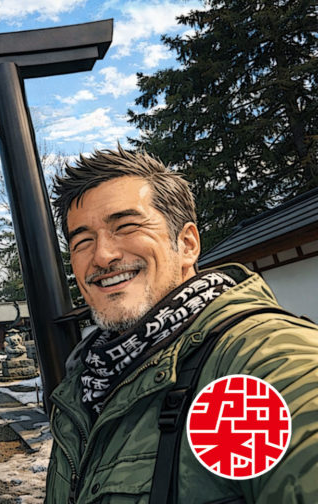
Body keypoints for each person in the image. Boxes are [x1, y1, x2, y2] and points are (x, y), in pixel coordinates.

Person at [45, 145, 318, 503]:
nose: (102, 255)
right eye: (82, 241)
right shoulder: (87, 384)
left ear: (187, 244)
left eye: (126, 226)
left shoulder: (255, 362)